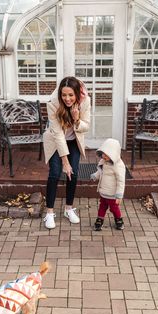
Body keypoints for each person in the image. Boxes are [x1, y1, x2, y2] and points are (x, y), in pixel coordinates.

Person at [43, 76, 91, 229]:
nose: (67, 99)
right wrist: (65, 161)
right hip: (56, 141)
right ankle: (49, 213)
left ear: (77, 93)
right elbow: (57, 134)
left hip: (73, 141)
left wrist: (77, 120)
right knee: (55, 173)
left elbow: (86, 127)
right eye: (64, 95)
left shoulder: (85, 101)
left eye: (71, 95)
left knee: (73, 173)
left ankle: (68, 209)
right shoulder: (53, 104)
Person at [90, 138, 126, 231]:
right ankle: (100, 219)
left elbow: (121, 181)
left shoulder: (119, 166)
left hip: (112, 194)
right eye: (102, 153)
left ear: (113, 154)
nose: (103, 156)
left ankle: (118, 219)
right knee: (102, 206)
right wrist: (95, 175)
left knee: (114, 208)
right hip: (103, 191)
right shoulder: (103, 161)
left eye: (106, 154)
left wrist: (119, 195)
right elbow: (101, 171)